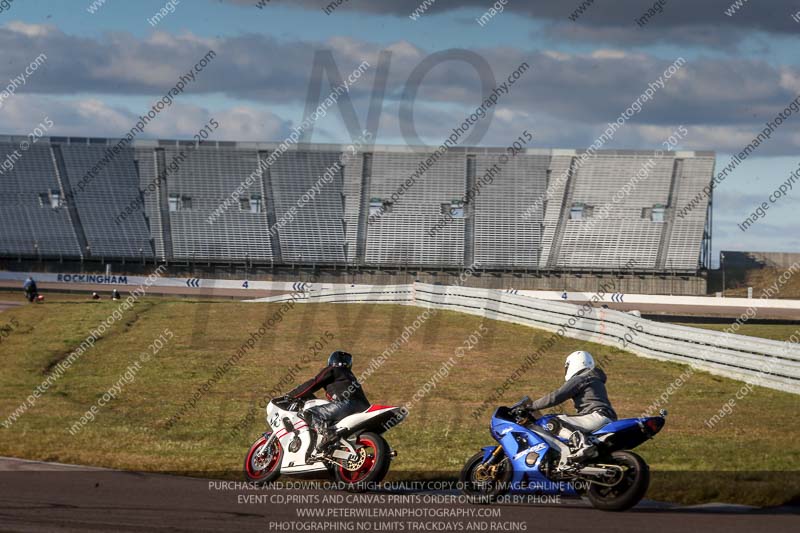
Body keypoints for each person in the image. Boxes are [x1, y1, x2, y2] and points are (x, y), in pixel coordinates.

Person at [527, 351, 617, 472]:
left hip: (596, 416)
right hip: (607, 418)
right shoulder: (595, 378)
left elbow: (556, 397)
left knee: (552, 421)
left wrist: (532, 406)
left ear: (574, 363)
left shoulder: (582, 378)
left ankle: (582, 445)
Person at [284, 350, 370, 453]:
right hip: (363, 408)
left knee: (310, 413)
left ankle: (327, 435)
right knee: (330, 421)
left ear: (332, 360)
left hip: (346, 405)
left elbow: (314, 383)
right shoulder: (351, 377)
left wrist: (291, 395)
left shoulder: (333, 369)